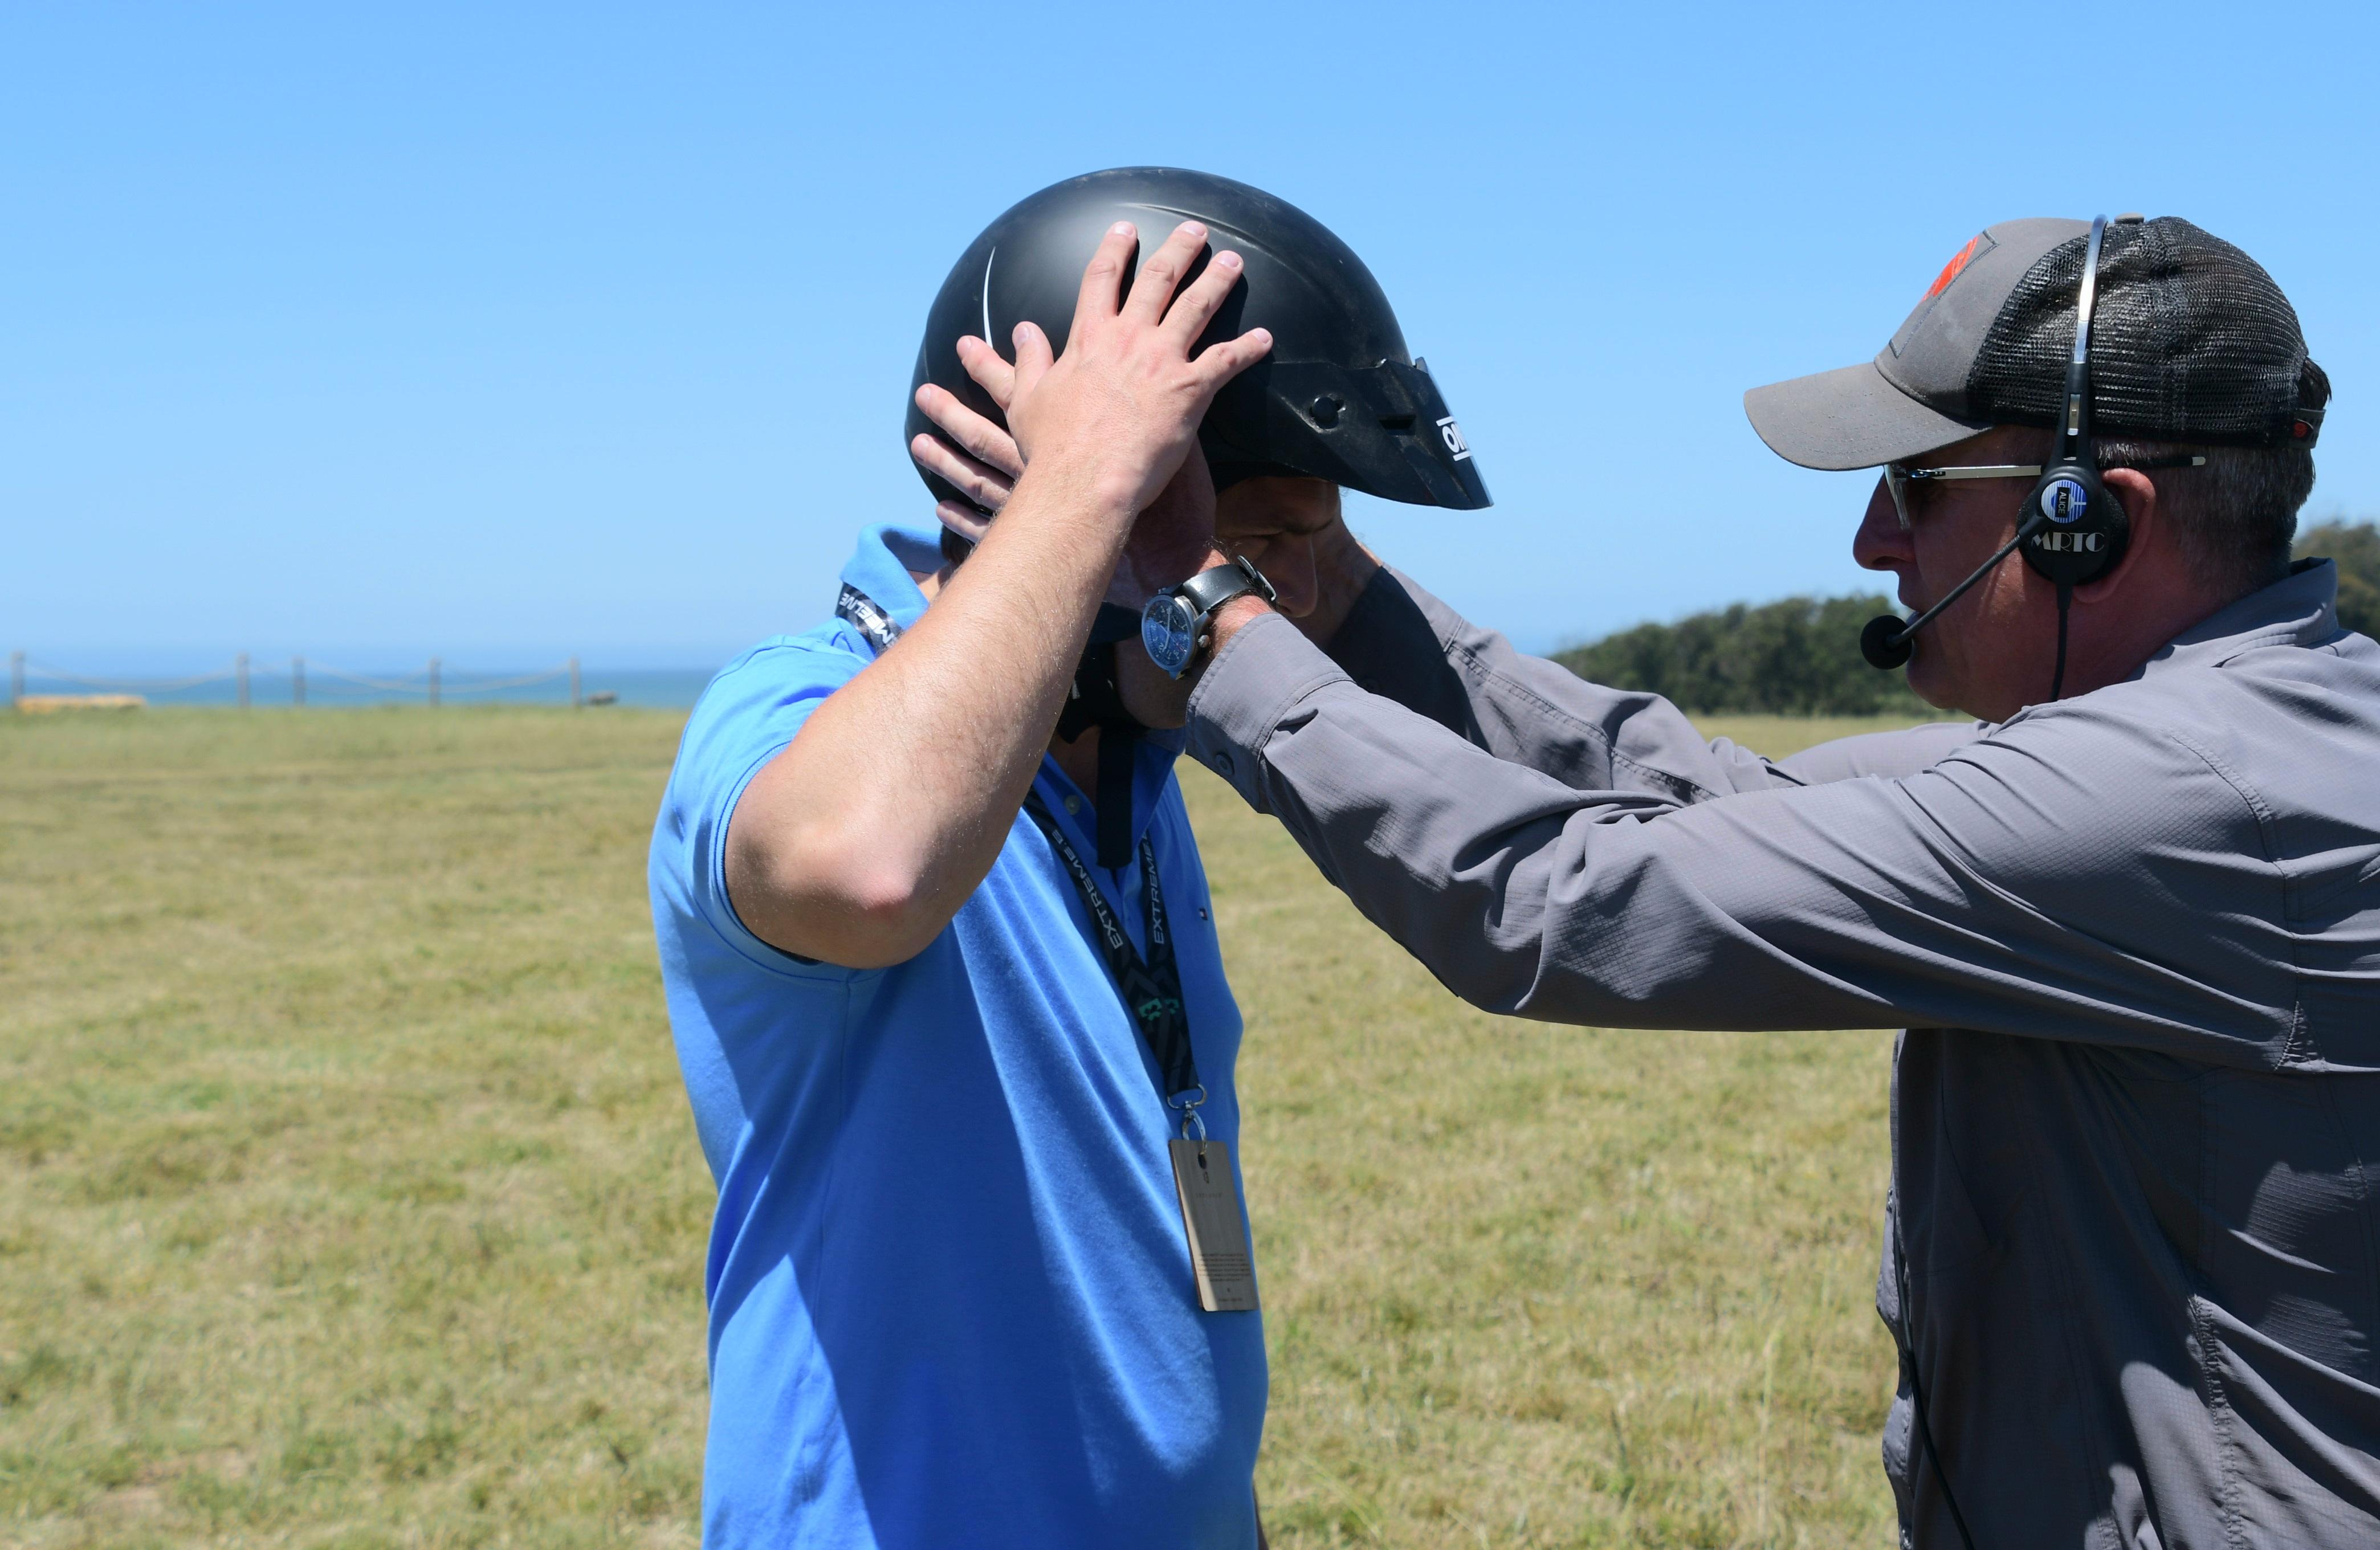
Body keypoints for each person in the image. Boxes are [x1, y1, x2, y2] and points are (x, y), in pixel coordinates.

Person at [922, 213, 2375, 1547]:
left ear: (2091, 516)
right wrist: (1321, 578)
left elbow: (1560, 900)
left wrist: (1205, 607)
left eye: (1920, 488)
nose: (1872, 540)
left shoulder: (2179, 802)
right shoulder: (2230, 744)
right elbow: (1689, 793)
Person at [646, 168, 1485, 1549]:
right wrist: (1090, 480)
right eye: (1273, 535)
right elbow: (867, 869)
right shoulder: (793, 706)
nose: (1317, 595)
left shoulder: (1134, 770)